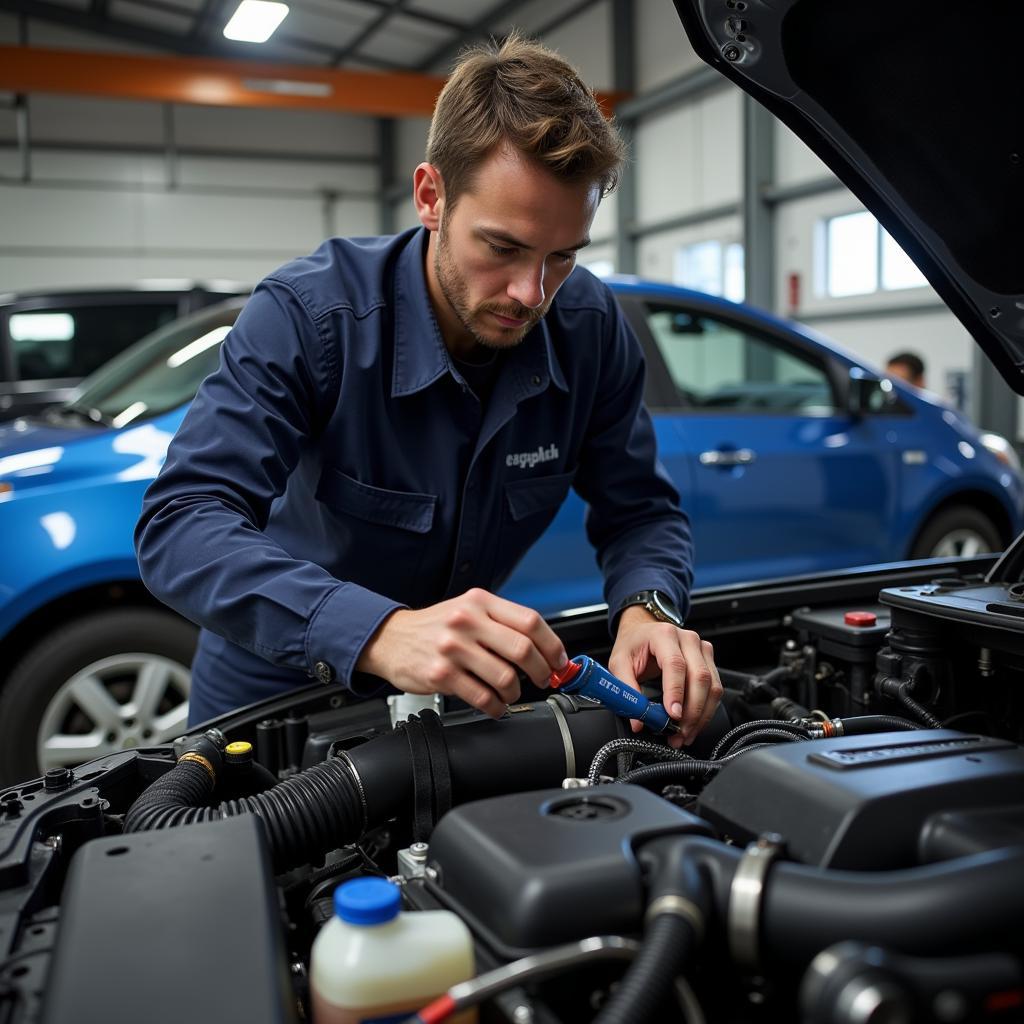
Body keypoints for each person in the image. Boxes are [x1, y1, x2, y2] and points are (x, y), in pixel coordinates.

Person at [135, 33, 721, 748]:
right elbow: (182, 524)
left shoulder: (590, 327)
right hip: (274, 697)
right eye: (502, 247)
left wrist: (649, 609)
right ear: (431, 196)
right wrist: (376, 630)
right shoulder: (310, 317)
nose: (531, 292)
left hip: (456, 701)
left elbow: (640, 513)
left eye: (562, 256)